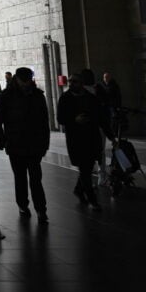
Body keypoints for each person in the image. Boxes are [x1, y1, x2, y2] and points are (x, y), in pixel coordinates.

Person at [0, 66, 50, 223]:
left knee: (33, 177)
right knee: (22, 177)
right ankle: (25, 205)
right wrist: (0, 140)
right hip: (17, 143)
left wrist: (45, 143)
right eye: (23, 80)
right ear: (17, 80)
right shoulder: (11, 96)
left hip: (30, 144)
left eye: (27, 80)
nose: (25, 83)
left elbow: (44, 122)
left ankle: (38, 208)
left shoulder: (31, 96)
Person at [57, 70, 111, 211]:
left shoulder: (90, 98)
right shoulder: (65, 98)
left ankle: (79, 190)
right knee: (85, 169)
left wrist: (111, 136)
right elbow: (60, 118)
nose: (71, 84)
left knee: (86, 168)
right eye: (69, 81)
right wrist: (74, 120)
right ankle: (92, 200)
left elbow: (101, 119)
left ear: (81, 84)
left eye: (74, 81)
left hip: (92, 138)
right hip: (76, 139)